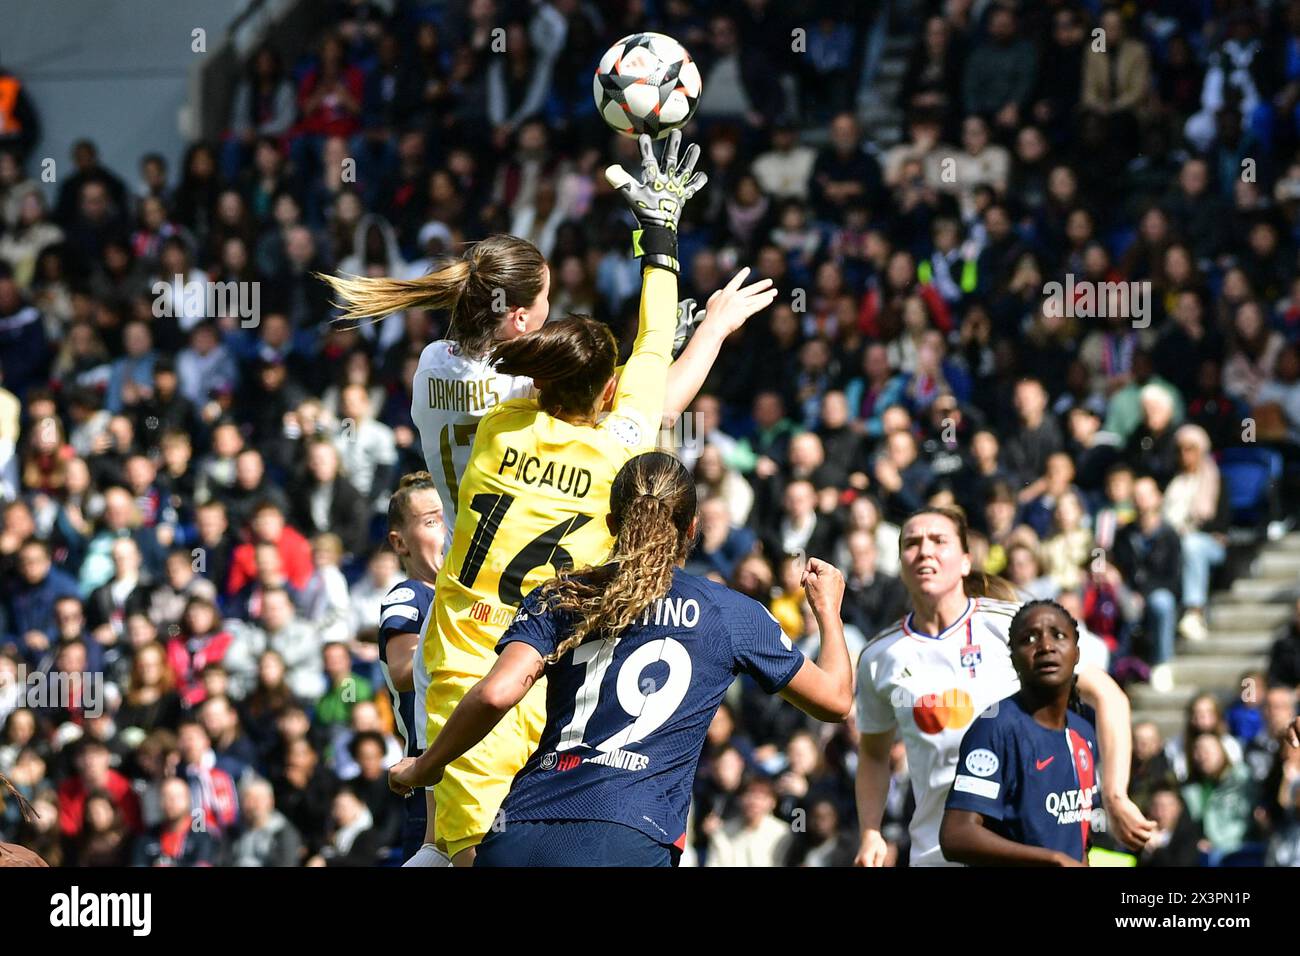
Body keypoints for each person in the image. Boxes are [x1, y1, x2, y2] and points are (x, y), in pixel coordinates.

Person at [388, 132, 751, 866]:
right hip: (532, 643)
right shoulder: (593, 434)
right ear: (521, 323)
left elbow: (604, 379)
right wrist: (665, 244)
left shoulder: (457, 388)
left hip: (468, 627)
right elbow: (655, 367)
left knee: (462, 846)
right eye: (545, 302)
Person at [389, 452, 853, 867]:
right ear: (692, 528)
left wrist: (425, 766)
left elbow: (495, 694)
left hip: (524, 829)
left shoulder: (561, 595)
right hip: (629, 835)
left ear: (611, 523)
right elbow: (835, 701)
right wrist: (828, 613)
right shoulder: (728, 612)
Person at [854, 506, 1153, 867]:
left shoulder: (1014, 627)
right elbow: (872, 753)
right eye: (912, 543)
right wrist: (870, 831)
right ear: (901, 562)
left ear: (965, 561)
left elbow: (1108, 696)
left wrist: (1115, 794)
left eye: (938, 540)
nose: (925, 551)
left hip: (1029, 850)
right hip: (938, 854)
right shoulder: (879, 656)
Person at [939, 600, 1097, 866]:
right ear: (1012, 658)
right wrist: (1051, 860)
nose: (1046, 646)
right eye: (1029, 638)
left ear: (1077, 653)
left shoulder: (1083, 732)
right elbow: (956, 835)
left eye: (1058, 635)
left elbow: (1077, 834)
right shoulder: (995, 728)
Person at [377, 471, 444, 866]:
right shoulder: (409, 594)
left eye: (448, 515)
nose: (446, 528)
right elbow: (404, 670)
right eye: (431, 521)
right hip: (428, 773)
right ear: (399, 542)